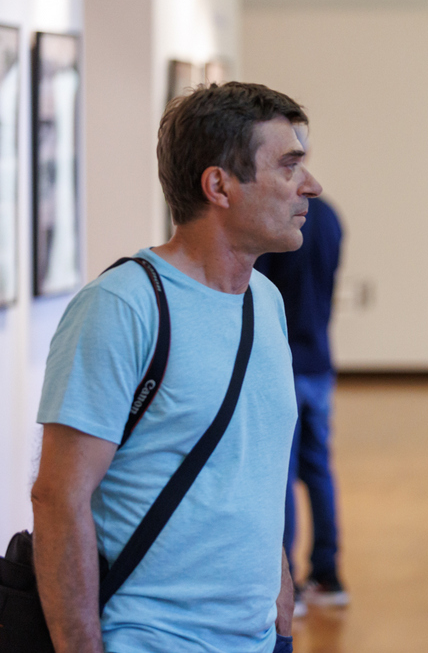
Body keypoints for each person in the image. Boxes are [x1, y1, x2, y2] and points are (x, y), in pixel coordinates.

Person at [31, 82, 323, 653]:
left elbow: (250, 477)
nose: (309, 185)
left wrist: (281, 610)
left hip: (258, 638)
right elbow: (58, 499)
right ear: (219, 186)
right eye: (288, 166)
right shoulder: (122, 307)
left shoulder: (265, 302)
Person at [255, 197, 348, 610]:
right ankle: (328, 576)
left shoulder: (275, 220)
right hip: (320, 363)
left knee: (283, 474)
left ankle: (287, 581)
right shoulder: (330, 219)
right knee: (319, 469)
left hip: (285, 366)